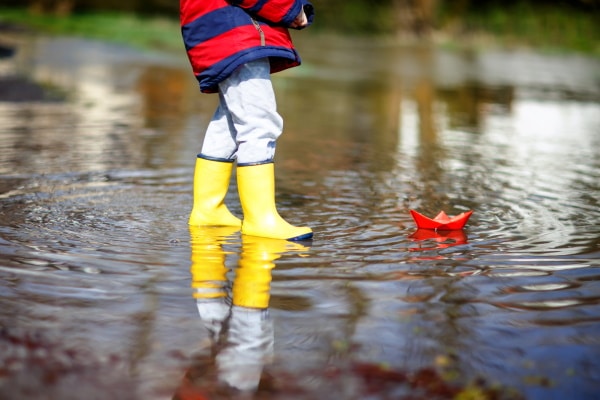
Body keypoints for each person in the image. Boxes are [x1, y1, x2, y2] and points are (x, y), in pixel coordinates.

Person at [180, 0, 315, 241]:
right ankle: (260, 218)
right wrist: (291, 9)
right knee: (259, 121)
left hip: (219, 31)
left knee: (230, 119)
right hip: (236, 33)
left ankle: (209, 209)